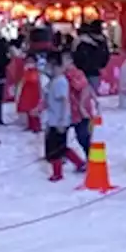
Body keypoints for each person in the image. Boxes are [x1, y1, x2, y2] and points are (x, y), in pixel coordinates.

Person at [41, 52, 85, 181]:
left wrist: (62, 120)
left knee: (56, 148)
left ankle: (58, 173)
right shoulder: (54, 81)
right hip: (53, 119)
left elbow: (65, 102)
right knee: (61, 146)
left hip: (58, 121)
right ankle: (79, 163)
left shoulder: (60, 82)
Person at [73, 21, 111, 94]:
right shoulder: (104, 41)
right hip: (95, 71)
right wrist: (102, 66)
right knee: (93, 93)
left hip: (81, 72)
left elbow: (73, 53)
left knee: (81, 93)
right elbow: (106, 55)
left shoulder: (80, 40)